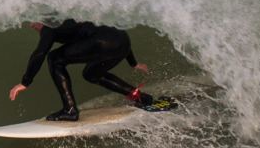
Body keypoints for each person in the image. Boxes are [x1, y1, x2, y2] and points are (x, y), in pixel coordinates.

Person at [8, 19, 154, 121]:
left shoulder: (49, 27)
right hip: (123, 41)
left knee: (54, 58)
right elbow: (112, 34)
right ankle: (140, 97)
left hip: (103, 42)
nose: (32, 26)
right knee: (91, 74)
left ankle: (70, 110)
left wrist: (25, 82)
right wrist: (133, 63)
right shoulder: (69, 20)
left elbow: (40, 53)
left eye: (33, 23)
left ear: (41, 20)